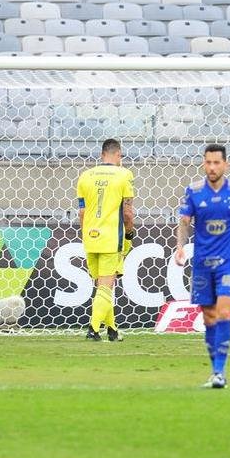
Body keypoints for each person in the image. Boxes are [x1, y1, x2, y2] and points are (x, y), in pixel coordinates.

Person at [173, 144, 230, 389]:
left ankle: (220, 373)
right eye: (208, 162)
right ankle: (215, 370)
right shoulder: (193, 191)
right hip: (202, 263)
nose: (212, 167)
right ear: (204, 163)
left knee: (224, 312)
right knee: (209, 317)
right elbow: (184, 222)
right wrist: (180, 246)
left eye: (216, 163)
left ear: (225, 164)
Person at [76, 138, 135, 342]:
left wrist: (86, 234)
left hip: (90, 238)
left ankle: (112, 329)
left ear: (102, 154)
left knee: (103, 287)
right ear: (119, 155)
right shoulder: (124, 175)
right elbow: (127, 212)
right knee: (105, 287)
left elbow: (82, 212)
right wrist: (129, 234)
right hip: (111, 238)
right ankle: (93, 328)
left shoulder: (85, 176)